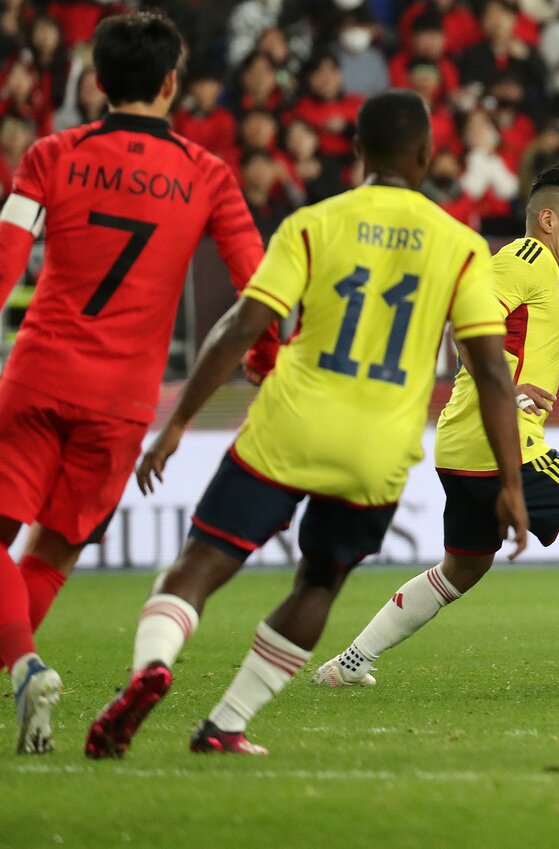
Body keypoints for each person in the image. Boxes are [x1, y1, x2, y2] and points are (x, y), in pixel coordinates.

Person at [83, 89, 529, 759]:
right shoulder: (462, 246)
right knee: (320, 581)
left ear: (358, 153)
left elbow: (243, 326)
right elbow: (492, 371)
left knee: (202, 560)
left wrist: (177, 423)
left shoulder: (314, 222)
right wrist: (511, 484)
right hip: (375, 449)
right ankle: (227, 722)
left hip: (289, 425)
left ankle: (152, 664)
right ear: (426, 154)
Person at [0, 12, 278, 755]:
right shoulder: (206, 173)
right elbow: (258, 284)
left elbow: (6, 252)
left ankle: (25, 665)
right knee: (53, 552)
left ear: (97, 81)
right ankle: (22, 668)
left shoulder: (52, 154)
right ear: (170, 83)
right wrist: (264, 355)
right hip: (123, 401)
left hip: (38, 375)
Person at [314, 162, 559, 691]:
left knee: (463, 568)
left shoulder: (537, 270)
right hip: (507, 448)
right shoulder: (525, 260)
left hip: (462, 448)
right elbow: (465, 323)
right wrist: (509, 387)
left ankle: (349, 663)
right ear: (549, 220)